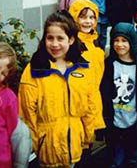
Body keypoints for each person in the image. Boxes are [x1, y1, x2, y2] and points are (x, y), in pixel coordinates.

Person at [19, 11, 97, 167]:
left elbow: (91, 106)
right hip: (47, 151)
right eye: (50, 38)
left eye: (60, 38)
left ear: (71, 39)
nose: (54, 44)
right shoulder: (34, 70)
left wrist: (88, 138)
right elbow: (27, 114)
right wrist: (33, 147)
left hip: (76, 147)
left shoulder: (82, 68)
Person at [100, 22, 137, 168]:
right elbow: (103, 92)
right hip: (114, 123)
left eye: (124, 40)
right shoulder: (108, 64)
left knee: (133, 160)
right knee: (115, 160)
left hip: (134, 124)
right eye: (116, 40)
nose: (119, 44)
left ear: (132, 41)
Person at [69, 0, 106, 142]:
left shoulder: (95, 43)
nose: (88, 21)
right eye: (83, 17)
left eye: (92, 17)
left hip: (94, 101)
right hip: (78, 104)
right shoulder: (72, 45)